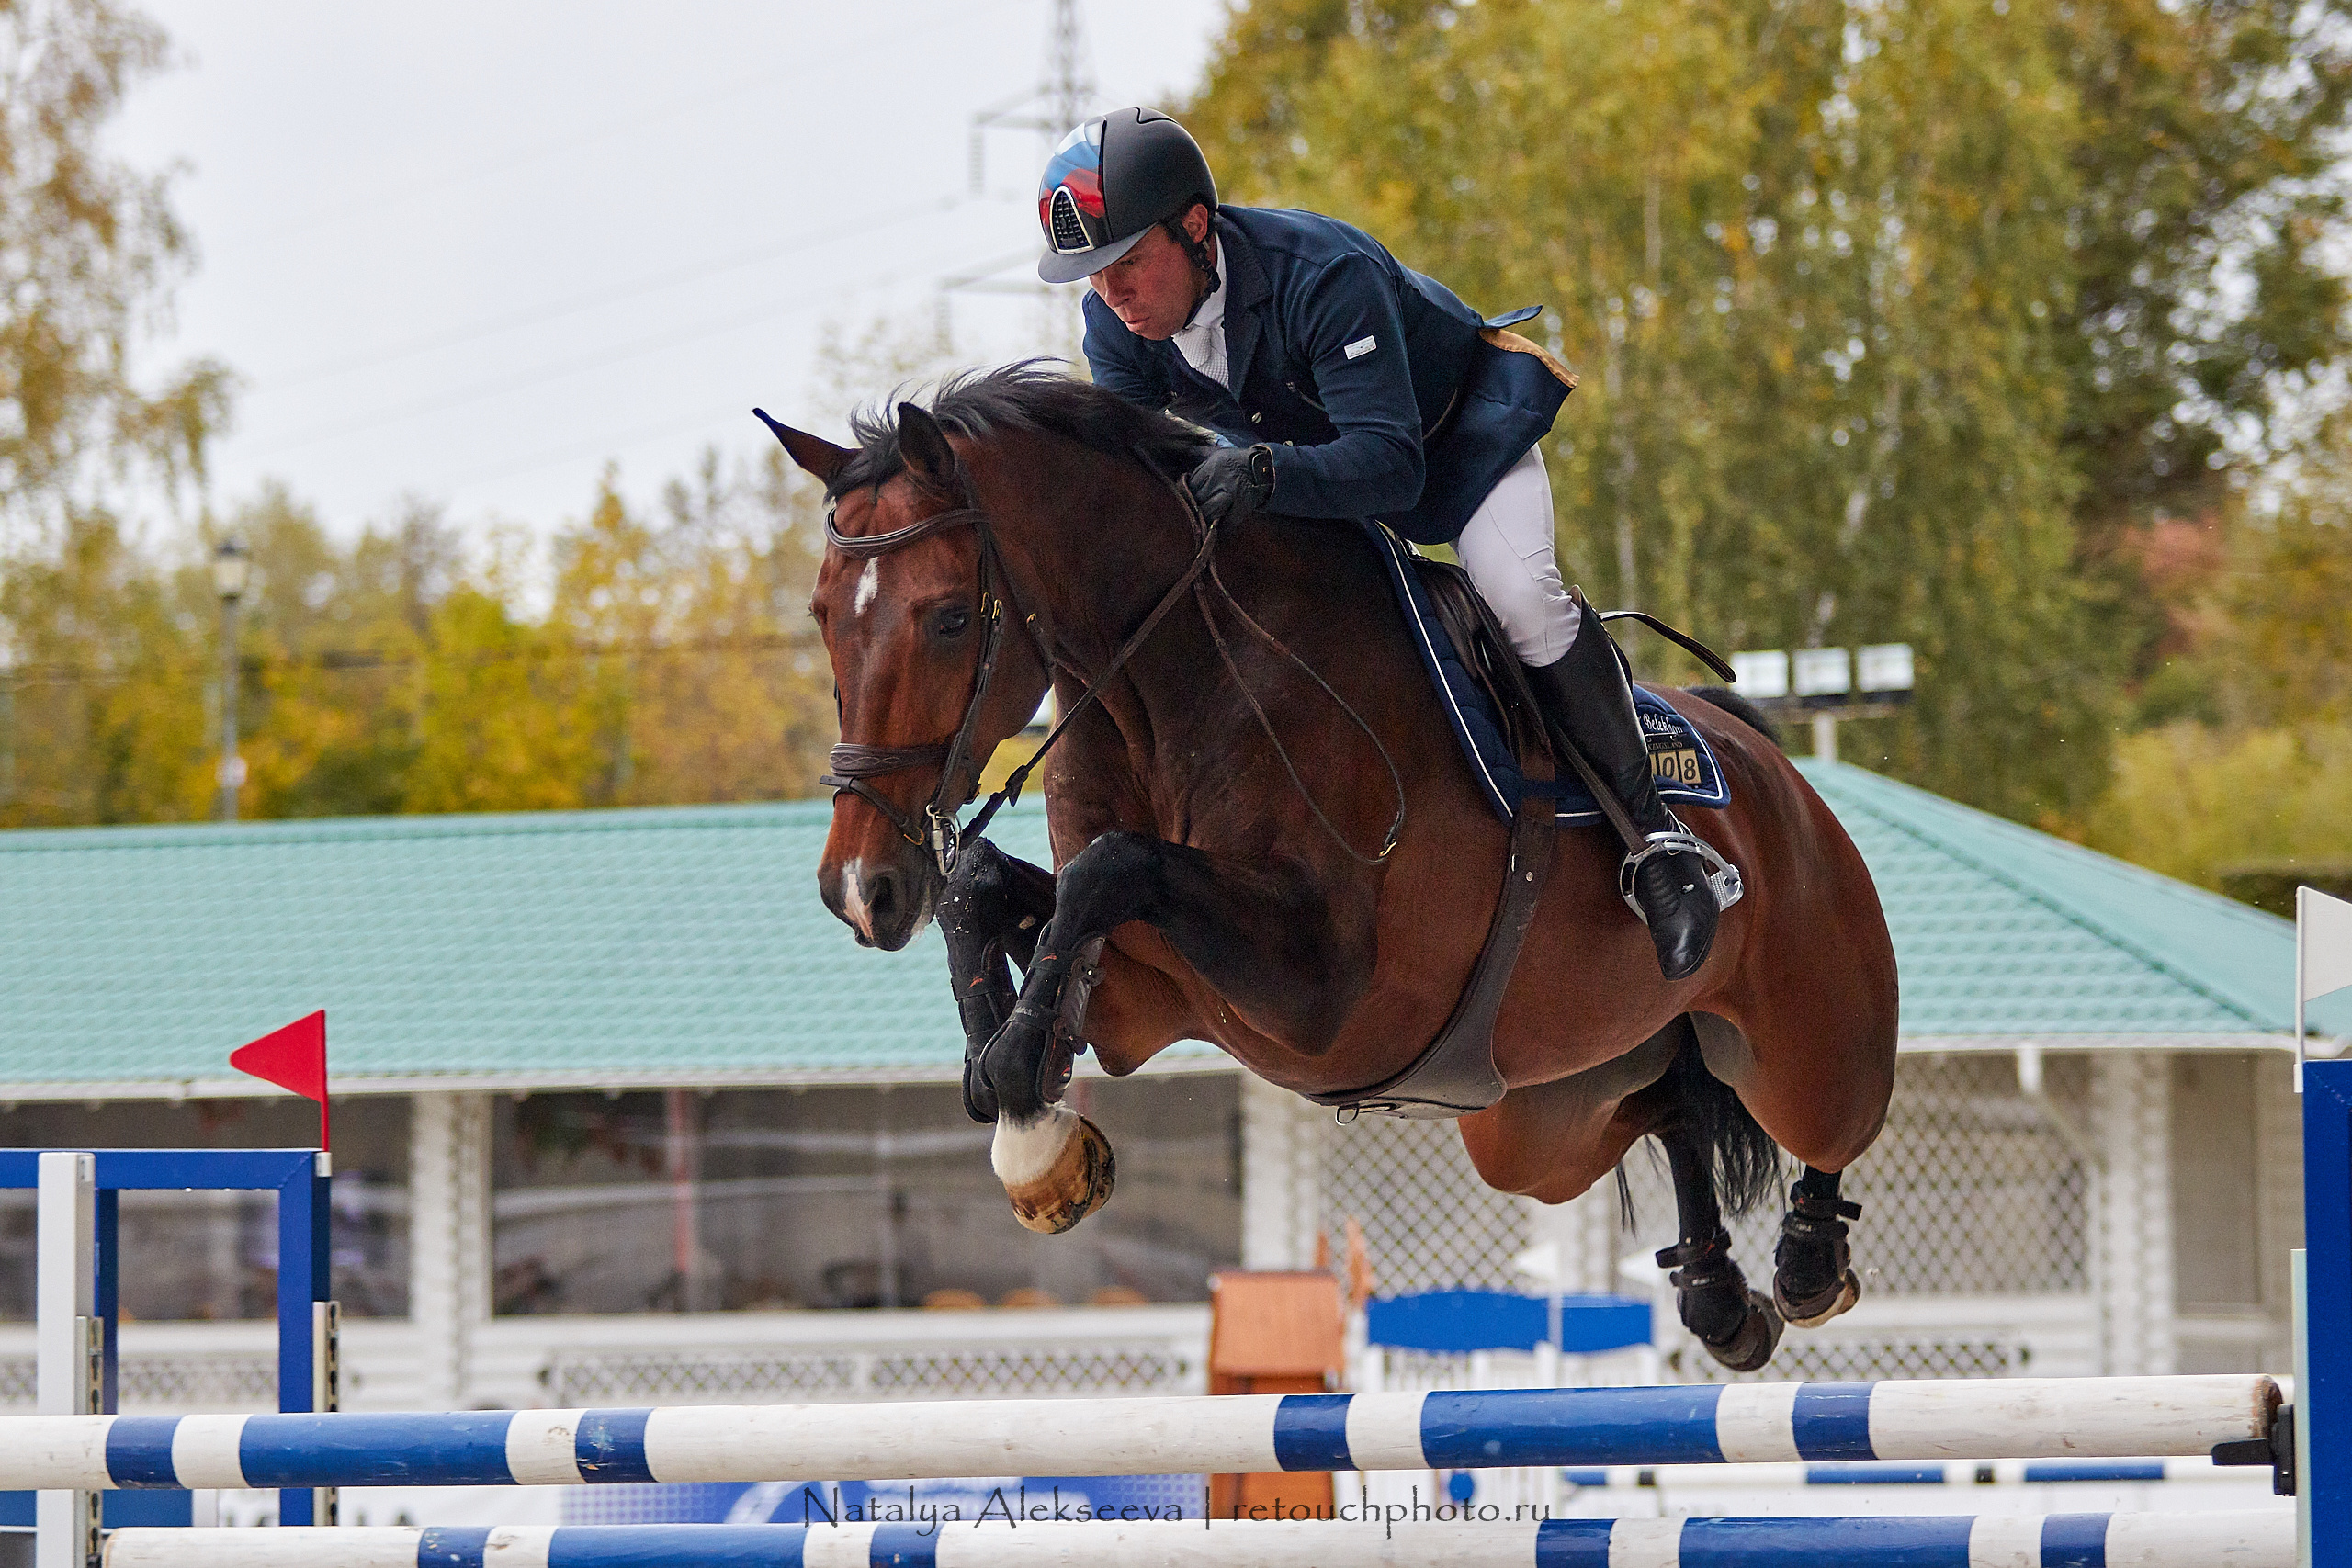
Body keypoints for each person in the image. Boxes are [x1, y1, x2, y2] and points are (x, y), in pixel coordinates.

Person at [1035, 107, 1726, 980]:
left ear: (1196, 227)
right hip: (1314, 483)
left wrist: (1264, 476)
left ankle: (1658, 838)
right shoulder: (1117, 332)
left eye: (1127, 262)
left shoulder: (1322, 276)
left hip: (1453, 449)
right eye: (1093, 278)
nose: (1112, 296)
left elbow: (1394, 467)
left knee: (1519, 595)